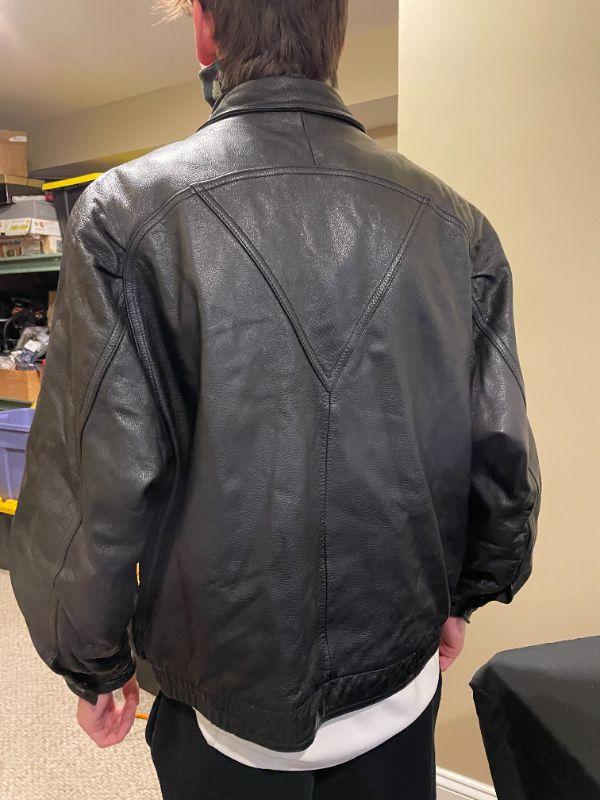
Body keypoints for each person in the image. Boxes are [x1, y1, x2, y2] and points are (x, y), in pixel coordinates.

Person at [9, 0, 542, 797]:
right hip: (398, 679)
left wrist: (93, 660)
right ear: (336, 28)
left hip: (225, 694)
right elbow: (498, 450)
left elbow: (92, 484)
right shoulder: (458, 227)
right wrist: (466, 593)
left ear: (203, 26)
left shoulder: (125, 216)